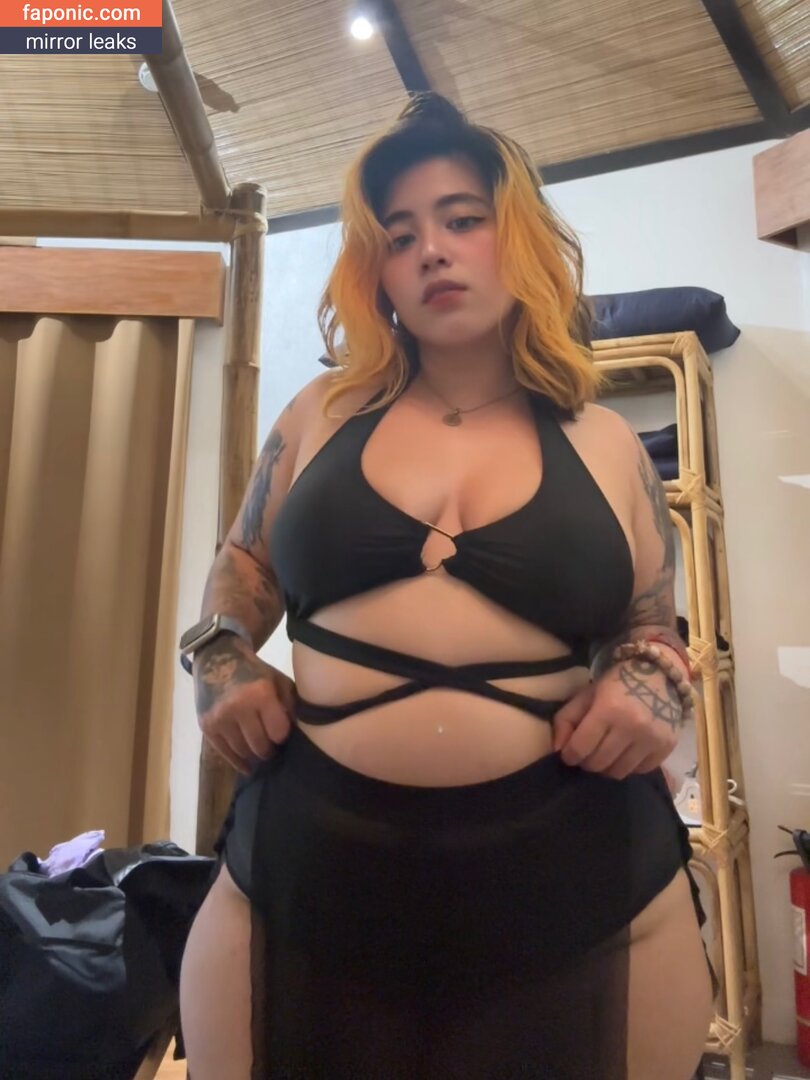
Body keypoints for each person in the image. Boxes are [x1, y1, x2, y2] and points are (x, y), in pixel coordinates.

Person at [179, 93, 716, 1079]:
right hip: (312, 870)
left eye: (463, 219)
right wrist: (219, 656)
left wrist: (651, 685)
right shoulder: (320, 412)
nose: (432, 250)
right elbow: (245, 562)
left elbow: (649, 625)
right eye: (400, 235)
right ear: (377, 271)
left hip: (574, 880)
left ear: (519, 238)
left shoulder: (607, 443)